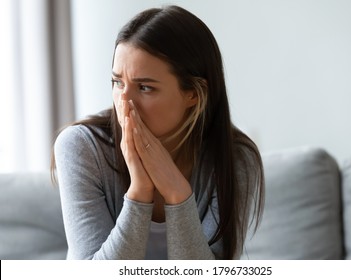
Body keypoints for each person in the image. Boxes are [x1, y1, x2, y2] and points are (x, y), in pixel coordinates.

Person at [52, 5, 264, 260]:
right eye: (118, 82)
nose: (124, 102)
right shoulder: (80, 148)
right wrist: (140, 191)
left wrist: (177, 192)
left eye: (144, 88)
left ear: (193, 95)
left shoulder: (236, 159)